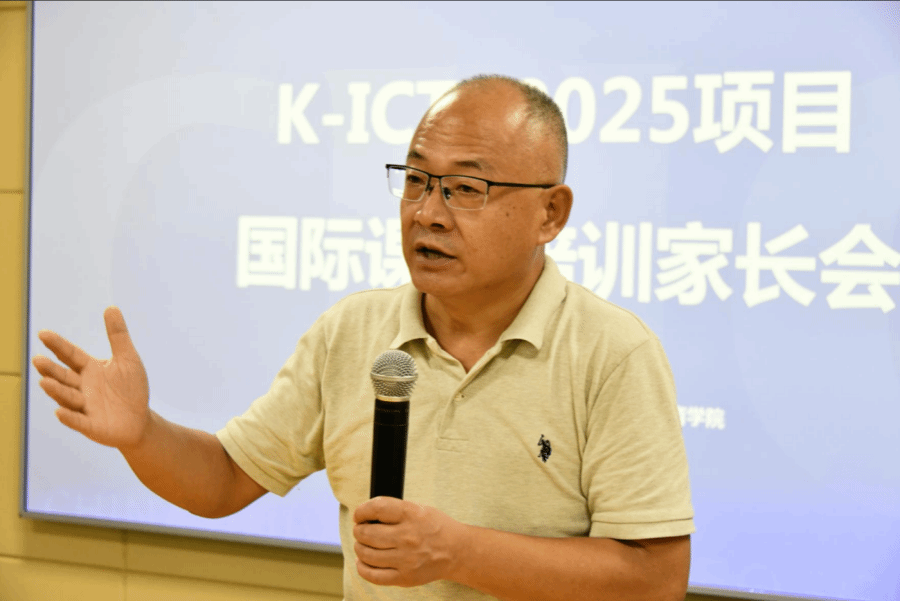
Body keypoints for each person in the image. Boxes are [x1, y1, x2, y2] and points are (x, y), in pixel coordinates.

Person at [33, 75, 694, 601]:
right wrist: (142, 434)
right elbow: (225, 479)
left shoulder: (612, 352)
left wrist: (457, 552)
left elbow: (655, 578)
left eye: (466, 188)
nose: (428, 213)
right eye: (416, 181)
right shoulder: (351, 332)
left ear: (551, 212)